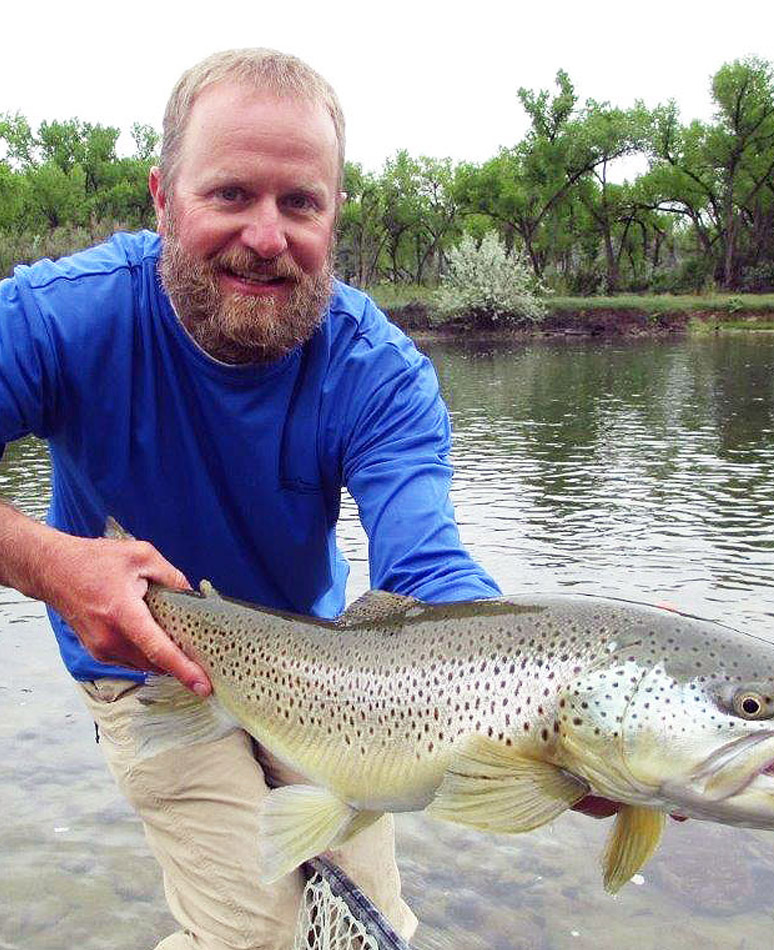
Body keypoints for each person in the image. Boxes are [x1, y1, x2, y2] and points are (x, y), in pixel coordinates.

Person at [0, 48, 501, 949]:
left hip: (320, 673)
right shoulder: (60, 317)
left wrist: (555, 708)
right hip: (143, 669)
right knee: (256, 938)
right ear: (163, 197)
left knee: (372, 928)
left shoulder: (377, 373)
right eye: (230, 194)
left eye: (299, 202)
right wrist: (49, 563)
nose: (267, 236)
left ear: (335, 213)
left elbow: (430, 578)